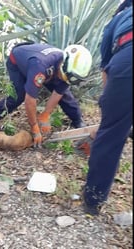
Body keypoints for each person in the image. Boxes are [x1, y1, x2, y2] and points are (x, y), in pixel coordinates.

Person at [0, 43, 93, 147]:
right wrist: (34, 127)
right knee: (18, 96)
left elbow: (58, 92)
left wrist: (45, 114)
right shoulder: (40, 66)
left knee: (65, 96)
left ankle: (77, 120)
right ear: (62, 65)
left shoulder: (68, 68)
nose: (65, 80)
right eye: (66, 77)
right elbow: (30, 99)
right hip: (18, 63)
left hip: (44, 67)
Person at [82, 0, 132, 215]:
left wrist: (109, 109)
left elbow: (106, 69)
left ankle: (93, 199)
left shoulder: (119, 19)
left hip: (128, 62)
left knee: (110, 135)